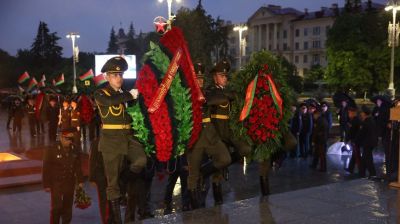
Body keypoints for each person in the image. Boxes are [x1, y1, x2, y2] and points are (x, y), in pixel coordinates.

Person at [94, 56, 147, 223]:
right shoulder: (101, 93)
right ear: (107, 77)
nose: (119, 78)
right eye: (115, 75)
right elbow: (110, 102)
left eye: (121, 75)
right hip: (111, 141)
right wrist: (129, 96)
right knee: (112, 185)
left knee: (141, 160)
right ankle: (116, 220)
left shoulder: (125, 93)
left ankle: (122, 180)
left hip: (128, 137)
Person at [186, 62, 231, 209]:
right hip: (195, 137)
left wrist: (204, 100)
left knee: (225, 158)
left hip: (210, 134)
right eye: (197, 78)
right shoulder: (185, 94)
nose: (200, 81)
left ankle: (203, 172)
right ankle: (194, 210)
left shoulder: (208, 92)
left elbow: (220, 98)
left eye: (202, 78)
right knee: (192, 176)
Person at [207, 60, 251, 204]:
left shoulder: (228, 91)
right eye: (222, 75)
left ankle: (224, 163)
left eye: (226, 76)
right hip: (217, 133)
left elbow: (237, 96)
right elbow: (212, 99)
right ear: (215, 77)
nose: (225, 78)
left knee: (245, 148)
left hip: (229, 131)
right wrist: (229, 96)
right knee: (217, 173)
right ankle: (218, 202)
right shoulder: (210, 91)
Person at [42, 129, 84, 224]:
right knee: (57, 207)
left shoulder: (75, 149)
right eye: (67, 138)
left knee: (67, 208)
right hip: (56, 182)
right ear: (61, 137)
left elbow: (77, 166)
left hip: (69, 182)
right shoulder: (51, 149)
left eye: (71, 139)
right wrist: (46, 185)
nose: (70, 141)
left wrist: (80, 181)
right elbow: (46, 168)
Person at [89, 138, 113, 224]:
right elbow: (92, 160)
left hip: (112, 176)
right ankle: (105, 220)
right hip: (101, 176)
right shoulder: (96, 143)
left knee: (112, 199)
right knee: (103, 200)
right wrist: (92, 178)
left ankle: (111, 219)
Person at [356, 105, 378, 178]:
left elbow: (361, 133)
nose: (361, 114)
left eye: (362, 112)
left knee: (367, 158)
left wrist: (357, 141)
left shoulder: (365, 122)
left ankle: (373, 173)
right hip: (372, 142)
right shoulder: (372, 120)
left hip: (367, 143)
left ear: (365, 113)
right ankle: (362, 173)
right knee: (365, 158)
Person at [310, 106, 329, 172]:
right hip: (322, 139)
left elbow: (316, 131)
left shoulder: (319, 121)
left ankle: (323, 168)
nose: (313, 117)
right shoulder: (323, 120)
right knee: (317, 153)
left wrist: (313, 140)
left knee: (321, 154)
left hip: (320, 140)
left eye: (314, 115)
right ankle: (314, 164)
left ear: (317, 114)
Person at [345, 106, 362, 174]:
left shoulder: (355, 120)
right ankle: (350, 168)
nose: (349, 115)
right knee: (354, 155)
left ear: (354, 113)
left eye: (349, 113)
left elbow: (351, 131)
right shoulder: (355, 120)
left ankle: (361, 170)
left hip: (355, 140)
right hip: (355, 140)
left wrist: (347, 139)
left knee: (357, 155)